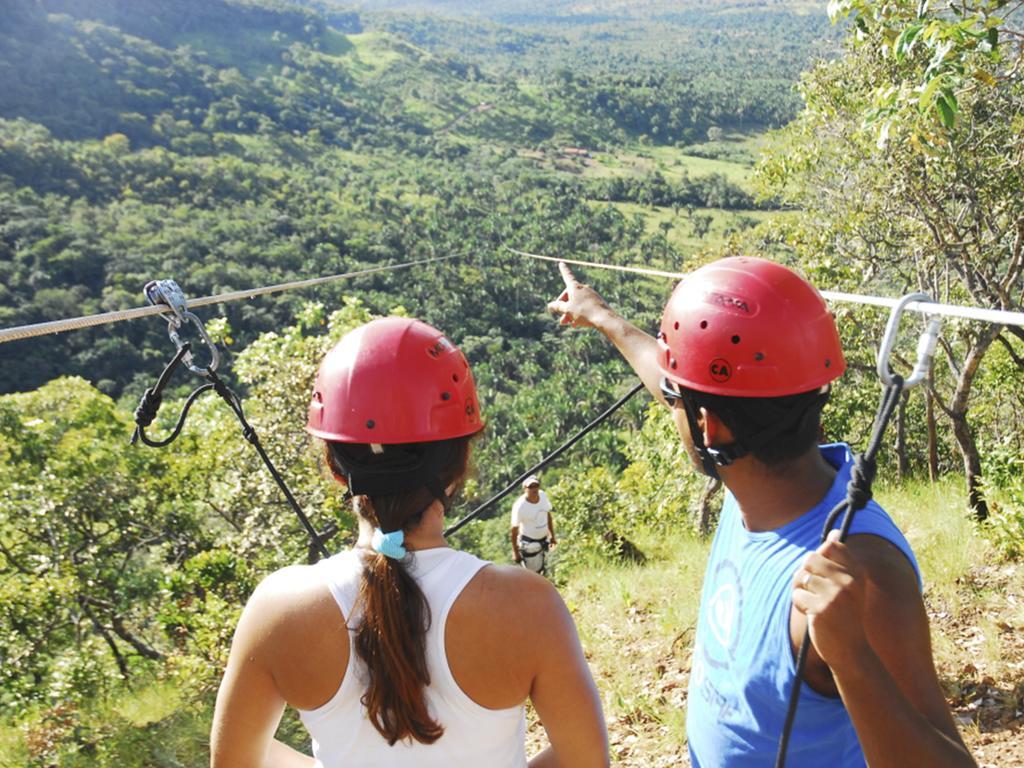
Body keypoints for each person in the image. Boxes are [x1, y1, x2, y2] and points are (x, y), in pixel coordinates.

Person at [548, 257, 975, 767]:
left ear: (711, 430)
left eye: (677, 401)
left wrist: (852, 660)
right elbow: (675, 388)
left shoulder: (862, 570)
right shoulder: (751, 474)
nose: (668, 401)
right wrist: (601, 315)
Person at [210, 317, 609, 768]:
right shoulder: (528, 606)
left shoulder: (278, 610)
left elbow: (235, 762)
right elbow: (587, 761)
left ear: (335, 467)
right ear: (459, 466)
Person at [511, 475, 557, 575]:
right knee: (534, 573)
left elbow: (547, 515)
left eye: (536, 486)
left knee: (548, 569)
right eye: (530, 487)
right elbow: (514, 530)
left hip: (545, 540)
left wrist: (552, 536)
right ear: (525, 489)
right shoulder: (520, 506)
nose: (534, 489)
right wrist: (515, 552)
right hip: (530, 544)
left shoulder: (543, 495)